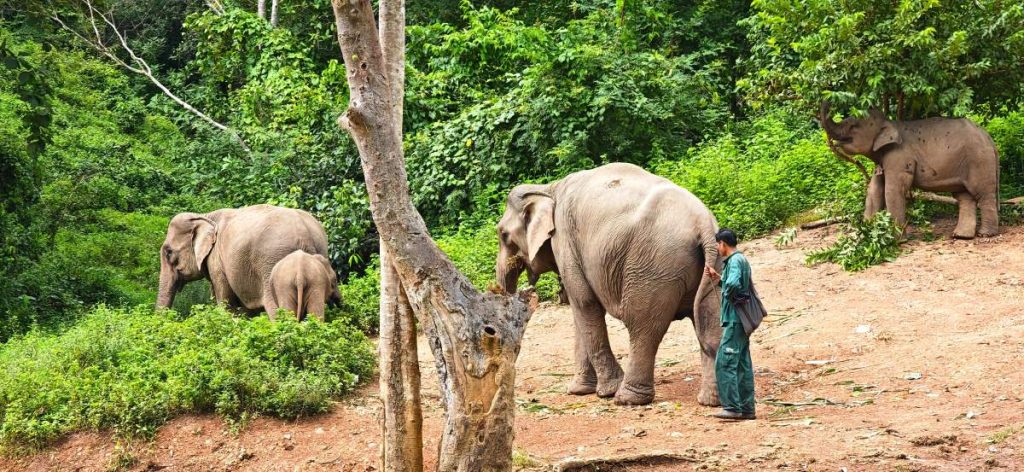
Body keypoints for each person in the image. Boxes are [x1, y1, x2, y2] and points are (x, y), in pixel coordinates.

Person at [703, 228, 756, 420]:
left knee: (725, 362)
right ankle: (747, 408)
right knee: (742, 364)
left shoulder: (734, 261)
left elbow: (733, 285)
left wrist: (726, 288)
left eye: (718, 245)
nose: (717, 249)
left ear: (723, 244)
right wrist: (719, 279)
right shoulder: (740, 261)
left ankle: (732, 407)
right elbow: (733, 283)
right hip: (741, 321)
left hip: (735, 320)